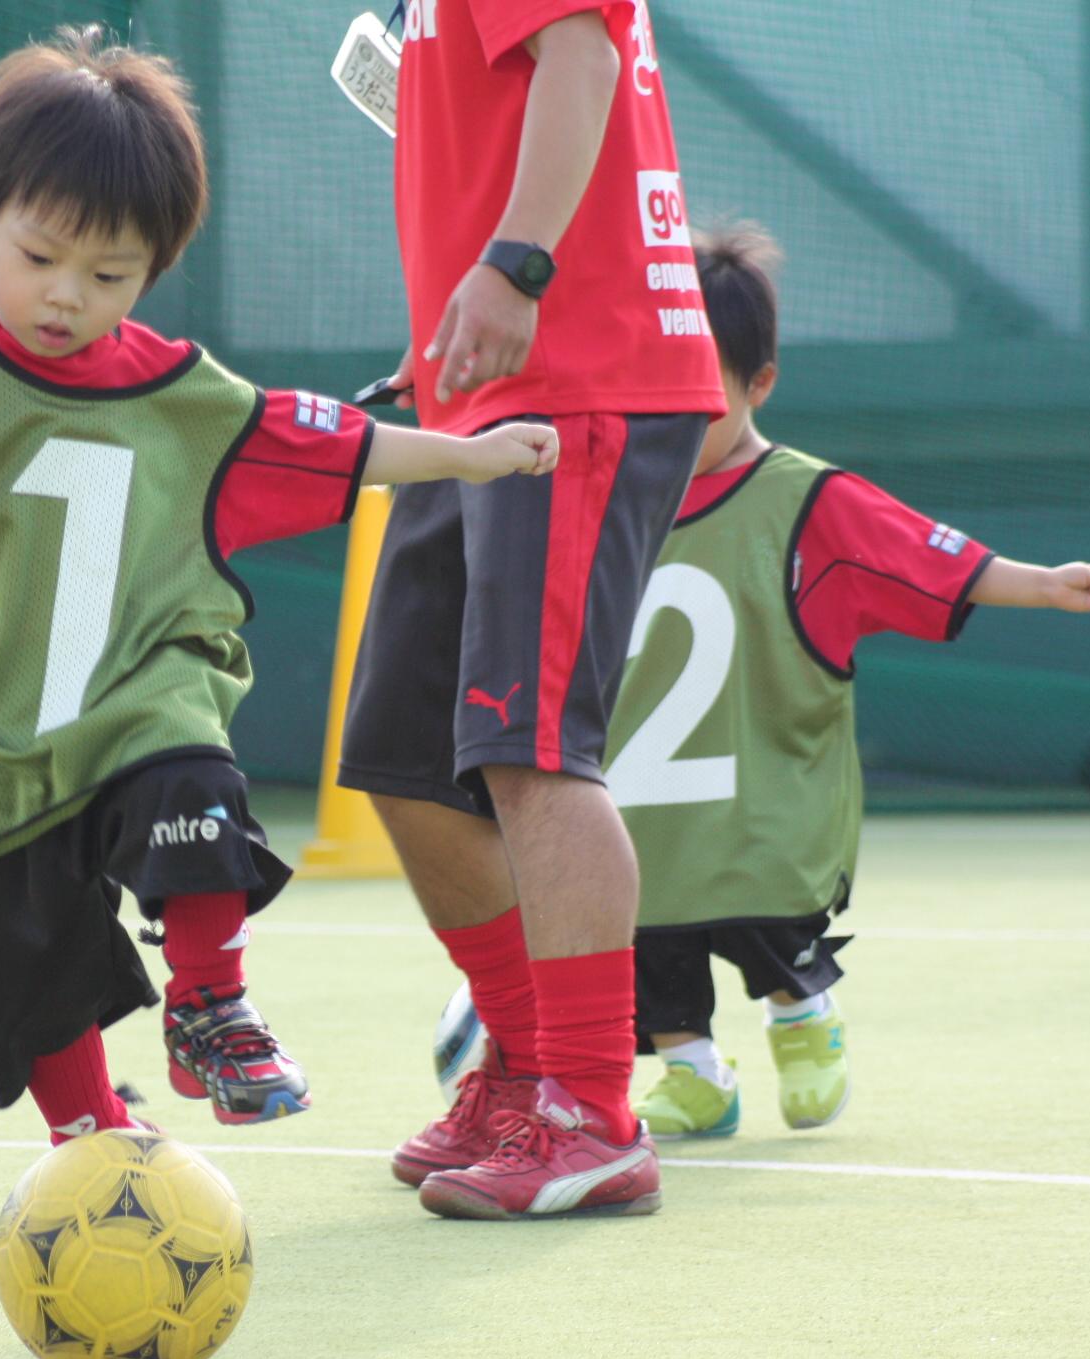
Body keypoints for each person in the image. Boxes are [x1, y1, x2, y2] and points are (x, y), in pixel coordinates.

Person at [0, 28, 559, 1145]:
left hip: (127, 706)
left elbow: (336, 444)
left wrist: (471, 451)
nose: (65, 296)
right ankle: (94, 1137)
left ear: (153, 271)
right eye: (39, 256)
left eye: (109, 276)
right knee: (37, 975)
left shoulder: (179, 393)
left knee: (186, 753)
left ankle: (210, 1000)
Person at [611, 222, 1090, 1137]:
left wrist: (1046, 585)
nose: (665, 423)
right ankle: (693, 1070)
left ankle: (801, 1015)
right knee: (647, 937)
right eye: (644, 397)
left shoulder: (812, 499)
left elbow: (939, 562)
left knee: (768, 922)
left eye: (694, 398)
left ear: (759, 384)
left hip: (763, 799)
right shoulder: (611, 501)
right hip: (637, 803)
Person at [340, 0, 726, 1219]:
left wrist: (514, 266)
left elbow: (581, 52)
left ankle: (595, 1112)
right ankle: (519, 1069)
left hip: (579, 371)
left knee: (536, 750)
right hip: (484, 389)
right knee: (401, 758)